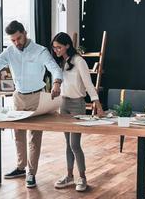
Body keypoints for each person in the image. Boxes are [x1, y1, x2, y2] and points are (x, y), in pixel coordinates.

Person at [0, 20, 63, 188]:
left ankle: (31, 173)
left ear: (25, 33)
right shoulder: (10, 51)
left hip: (37, 98)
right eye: (13, 40)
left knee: (34, 138)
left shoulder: (40, 51)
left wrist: (57, 83)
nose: (16, 43)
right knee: (18, 136)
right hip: (18, 97)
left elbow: (54, 67)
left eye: (19, 38)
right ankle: (21, 167)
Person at [50, 32, 104, 191]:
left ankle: (82, 178)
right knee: (68, 144)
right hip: (64, 104)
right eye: (54, 48)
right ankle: (69, 176)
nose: (56, 50)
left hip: (77, 106)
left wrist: (98, 105)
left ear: (67, 45)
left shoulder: (79, 61)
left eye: (58, 47)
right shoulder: (61, 63)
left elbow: (88, 85)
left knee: (75, 144)